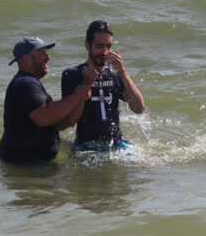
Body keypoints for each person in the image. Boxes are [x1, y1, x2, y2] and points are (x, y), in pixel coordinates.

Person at [0, 36, 99, 164]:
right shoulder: (26, 83)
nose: (48, 57)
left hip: (32, 163)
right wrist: (76, 96)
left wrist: (83, 91)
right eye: (42, 53)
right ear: (26, 59)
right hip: (25, 166)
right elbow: (43, 118)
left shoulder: (29, 83)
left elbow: (63, 123)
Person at [60, 20, 146, 151]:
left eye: (109, 46)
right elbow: (69, 121)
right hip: (86, 144)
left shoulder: (114, 73)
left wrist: (123, 72)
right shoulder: (72, 75)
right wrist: (86, 85)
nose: (105, 52)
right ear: (87, 46)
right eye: (100, 46)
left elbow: (139, 108)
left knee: (146, 168)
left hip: (116, 142)